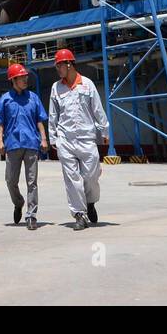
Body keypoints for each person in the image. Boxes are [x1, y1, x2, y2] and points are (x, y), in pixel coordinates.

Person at [47, 48, 108, 230]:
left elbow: (97, 109)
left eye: (60, 65)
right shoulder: (56, 88)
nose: (58, 69)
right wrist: (53, 137)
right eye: (56, 66)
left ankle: (90, 202)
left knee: (91, 176)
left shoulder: (87, 85)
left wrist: (104, 131)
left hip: (86, 139)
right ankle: (79, 214)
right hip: (65, 139)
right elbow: (53, 114)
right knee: (72, 178)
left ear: (69, 64)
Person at [0, 62, 48, 231]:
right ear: (13, 80)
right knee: (11, 180)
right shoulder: (5, 99)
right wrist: (0, 141)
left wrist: (44, 139)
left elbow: (39, 120)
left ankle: (31, 215)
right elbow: (0, 122)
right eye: (22, 78)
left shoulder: (33, 97)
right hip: (12, 144)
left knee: (32, 182)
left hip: (31, 143)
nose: (25, 80)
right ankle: (18, 202)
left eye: (25, 77)